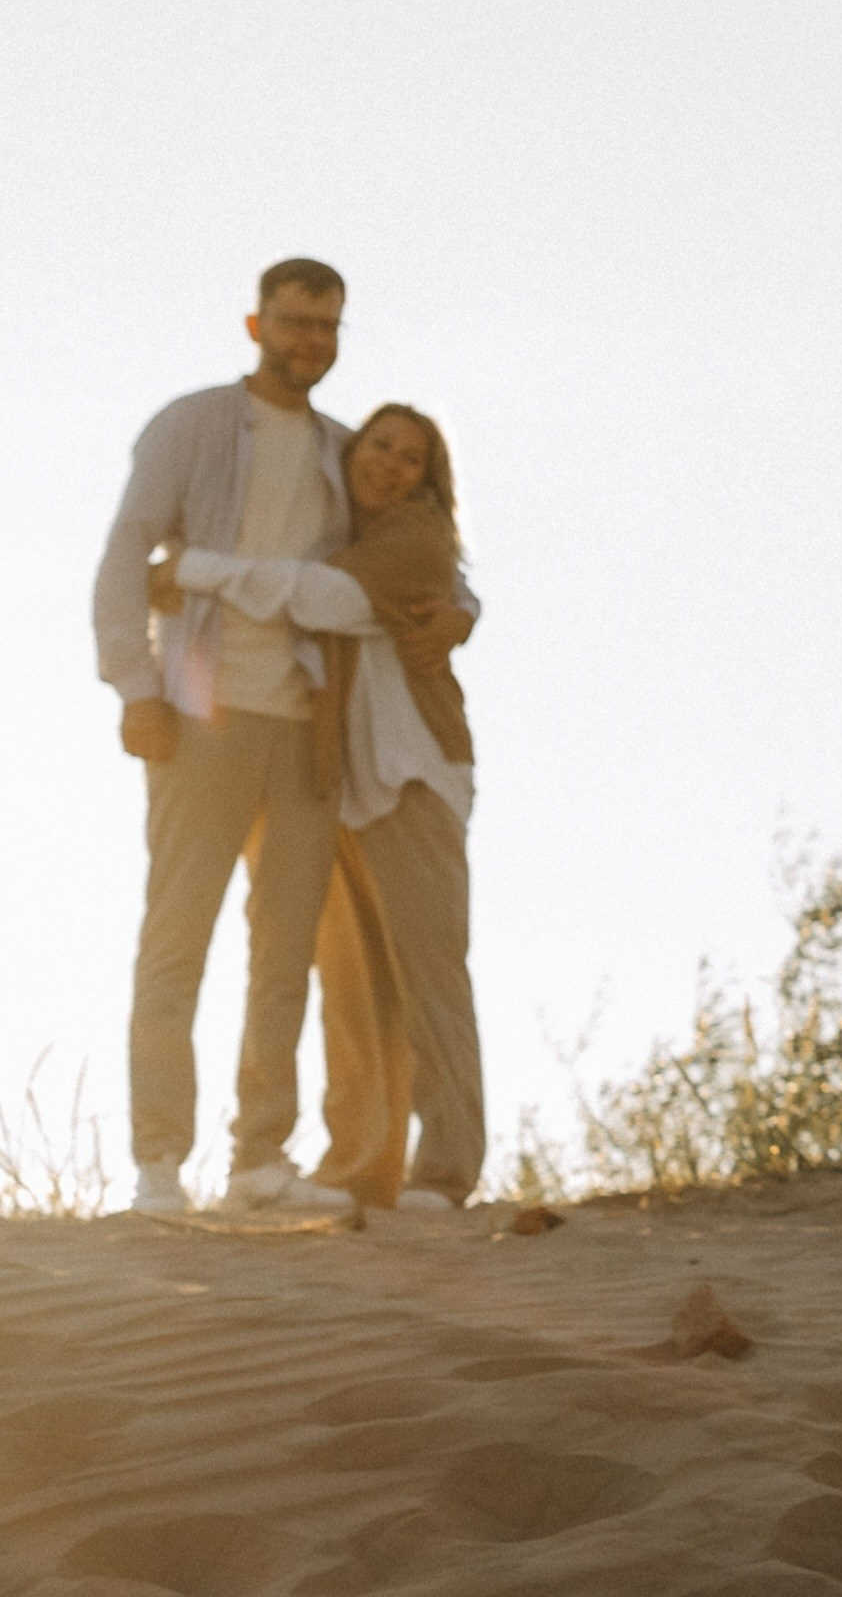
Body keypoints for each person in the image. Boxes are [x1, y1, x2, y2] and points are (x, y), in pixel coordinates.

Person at [93, 260, 472, 1216]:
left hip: (308, 733)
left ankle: (259, 1160)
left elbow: (416, 550)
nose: (313, 340)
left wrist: (465, 609)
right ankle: (156, 1166)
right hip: (200, 714)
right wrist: (134, 685)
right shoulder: (191, 426)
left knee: (284, 950)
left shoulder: (348, 453)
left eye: (330, 325)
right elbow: (123, 556)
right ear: (257, 324)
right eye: (296, 322)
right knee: (176, 939)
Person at [154, 403, 483, 1210]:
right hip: (338, 779)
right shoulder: (346, 532)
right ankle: (361, 1164)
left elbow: (317, 599)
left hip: (411, 776)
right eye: (380, 447)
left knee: (429, 974)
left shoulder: (413, 537)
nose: (390, 467)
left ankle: (446, 1169)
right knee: (351, 983)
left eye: (411, 459)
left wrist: (191, 568)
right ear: (353, 451)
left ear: (428, 480)